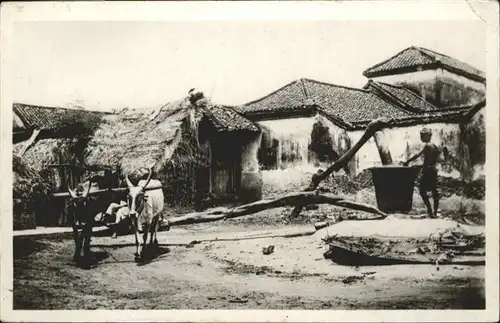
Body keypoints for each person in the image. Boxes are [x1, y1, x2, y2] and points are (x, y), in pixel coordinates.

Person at [402, 127, 441, 218]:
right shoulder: (433, 146)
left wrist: (408, 162)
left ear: (428, 136)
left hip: (428, 171)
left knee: (422, 191)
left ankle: (430, 211)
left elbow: (419, 156)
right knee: (434, 191)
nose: (421, 137)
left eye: (423, 135)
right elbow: (431, 161)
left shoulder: (428, 146)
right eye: (421, 135)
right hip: (433, 170)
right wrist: (418, 165)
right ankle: (434, 213)